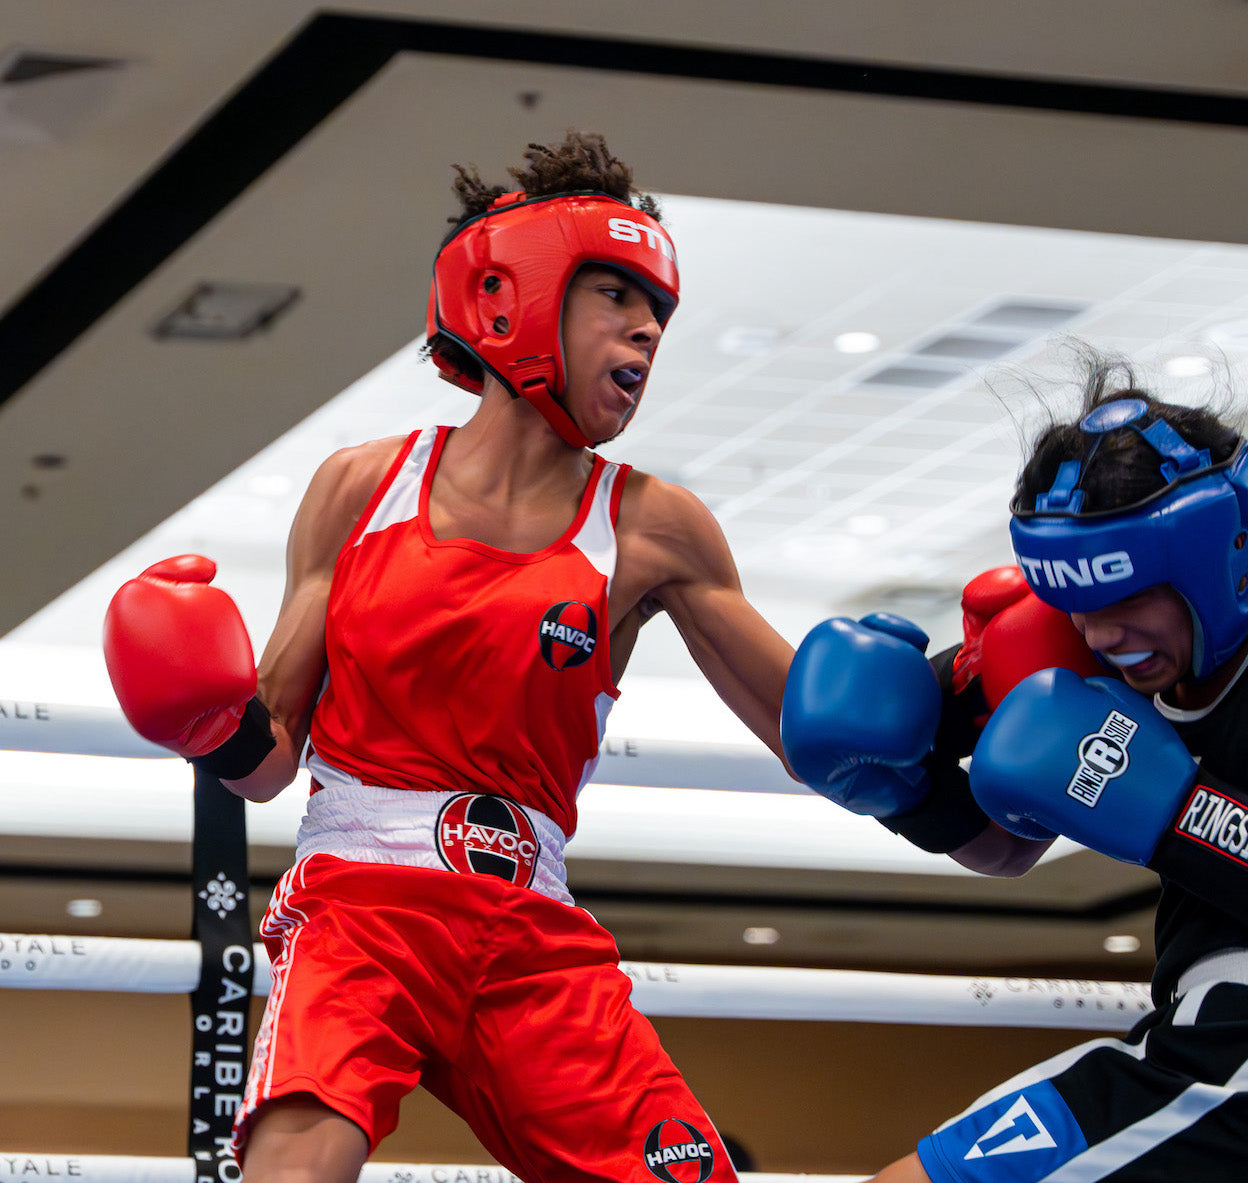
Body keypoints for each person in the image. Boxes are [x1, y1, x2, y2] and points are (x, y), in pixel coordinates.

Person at [102, 131, 795, 1183]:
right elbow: (270, 757)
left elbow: (816, 732)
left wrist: (943, 703)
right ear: (515, 292)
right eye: (616, 292)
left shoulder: (652, 527)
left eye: (659, 308)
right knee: (298, 1162)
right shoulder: (361, 489)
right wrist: (208, 717)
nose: (649, 327)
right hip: (358, 903)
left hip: (529, 929)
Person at [782, 354, 1248, 1181]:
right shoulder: (1075, 648)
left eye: (1129, 594)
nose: (1102, 632)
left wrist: (1180, 815)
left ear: (1218, 554)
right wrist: (904, 787)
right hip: (1193, 1041)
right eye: (1076, 598)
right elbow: (999, 846)